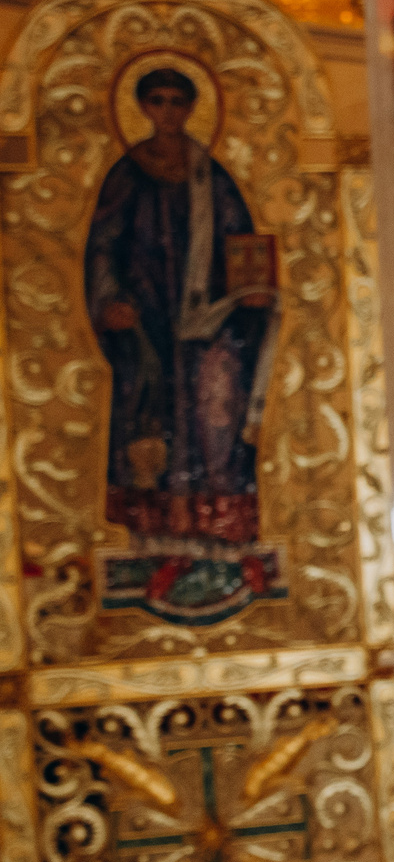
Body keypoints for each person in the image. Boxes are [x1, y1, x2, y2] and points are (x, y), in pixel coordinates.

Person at [84, 67, 274, 605]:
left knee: (218, 418)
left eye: (176, 101)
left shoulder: (211, 175)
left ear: (191, 108)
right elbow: (103, 245)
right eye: (157, 101)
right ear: (144, 108)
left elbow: (241, 241)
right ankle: (165, 549)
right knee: (151, 426)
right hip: (145, 321)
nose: (167, 111)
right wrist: (109, 300)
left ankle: (230, 547)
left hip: (209, 321)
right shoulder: (127, 173)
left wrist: (252, 291)